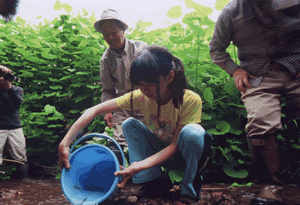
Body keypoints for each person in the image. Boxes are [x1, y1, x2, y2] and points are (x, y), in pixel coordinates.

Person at [58, 46, 213, 204]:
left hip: (185, 155)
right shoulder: (140, 97)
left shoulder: (189, 99)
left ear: (170, 76)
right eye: (140, 84)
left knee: (192, 133)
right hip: (161, 152)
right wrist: (65, 143)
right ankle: (153, 181)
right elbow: (95, 110)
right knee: (129, 124)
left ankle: (189, 187)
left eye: (151, 83)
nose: (145, 90)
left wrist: (140, 165)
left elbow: (174, 146)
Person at [209, 1, 300, 204]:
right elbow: (216, 49)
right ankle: (270, 186)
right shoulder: (232, 12)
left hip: (296, 68)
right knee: (260, 120)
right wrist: (234, 69)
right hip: (257, 76)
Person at [94, 9, 148, 153]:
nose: (110, 37)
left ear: (123, 30)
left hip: (145, 99)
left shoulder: (141, 48)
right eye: (106, 34)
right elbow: (107, 90)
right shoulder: (105, 59)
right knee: (120, 143)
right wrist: (107, 111)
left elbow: (154, 77)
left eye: (114, 32)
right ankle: (123, 169)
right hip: (122, 103)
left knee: (148, 138)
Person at [0, 65, 28, 179]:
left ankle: (22, 182)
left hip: (15, 127)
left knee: (20, 157)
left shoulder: (17, 90)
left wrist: (9, 89)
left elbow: (17, 104)